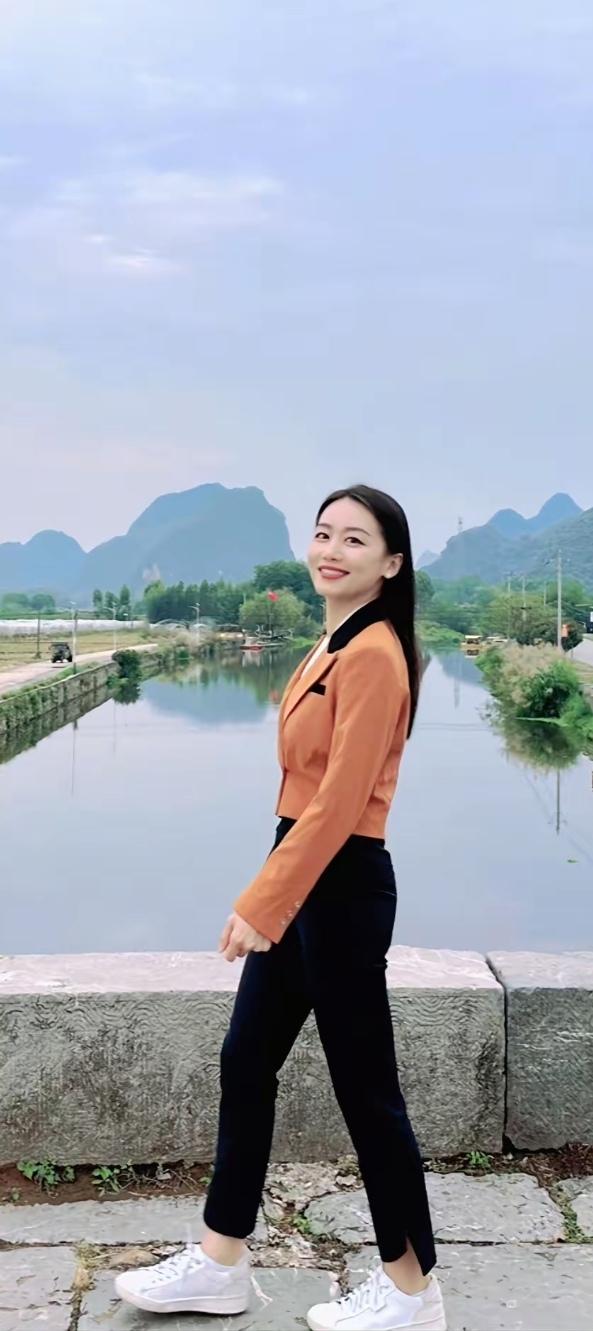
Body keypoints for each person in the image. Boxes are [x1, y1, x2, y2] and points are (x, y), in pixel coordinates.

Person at [115, 483, 447, 1331]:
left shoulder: (373, 653)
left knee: (366, 1089)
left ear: (391, 563)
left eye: (355, 539)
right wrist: (276, 887)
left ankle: (412, 1290)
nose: (331, 550)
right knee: (245, 1059)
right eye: (323, 533)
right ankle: (221, 1260)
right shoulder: (331, 642)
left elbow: (338, 803)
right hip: (305, 869)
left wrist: (265, 900)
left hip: (338, 884)